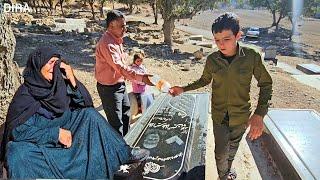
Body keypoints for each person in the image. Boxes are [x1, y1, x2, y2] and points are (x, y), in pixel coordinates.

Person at [0, 47, 149, 179]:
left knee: (89, 115)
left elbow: (86, 104)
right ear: (38, 65)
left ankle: (123, 152)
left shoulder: (59, 85)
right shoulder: (25, 95)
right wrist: (55, 134)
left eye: (57, 63)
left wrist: (72, 79)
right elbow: (18, 132)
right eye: (51, 62)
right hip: (42, 145)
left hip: (68, 137)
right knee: (16, 152)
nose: (55, 67)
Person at [169, 12, 273, 180]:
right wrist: (183, 88)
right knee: (220, 152)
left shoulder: (251, 57)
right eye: (217, 40)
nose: (221, 45)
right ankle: (223, 176)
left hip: (241, 116)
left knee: (232, 148)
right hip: (219, 116)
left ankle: (227, 170)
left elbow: (266, 84)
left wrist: (259, 114)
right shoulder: (212, 60)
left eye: (227, 39)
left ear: (238, 35)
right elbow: (204, 80)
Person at [95, 10, 153, 136]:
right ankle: (119, 153)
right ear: (111, 26)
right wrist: (141, 78)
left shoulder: (116, 40)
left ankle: (127, 146)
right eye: (122, 26)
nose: (125, 29)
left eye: (125, 26)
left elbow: (122, 66)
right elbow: (119, 67)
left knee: (126, 116)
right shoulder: (107, 44)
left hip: (119, 85)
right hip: (109, 89)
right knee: (117, 124)